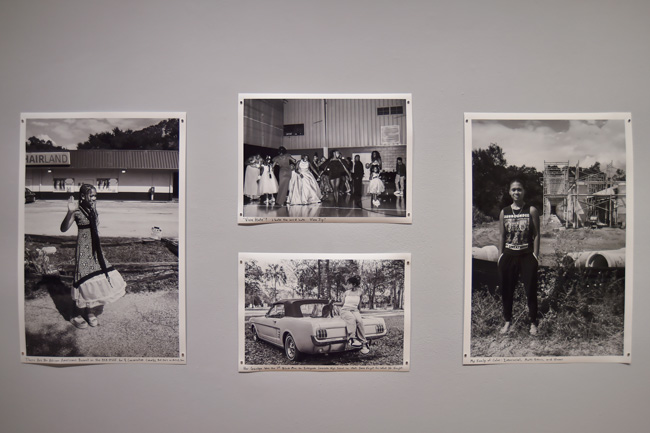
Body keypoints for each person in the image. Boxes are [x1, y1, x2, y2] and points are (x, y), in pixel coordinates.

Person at [60, 184, 127, 329]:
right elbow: (63, 228)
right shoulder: (76, 210)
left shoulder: (93, 209)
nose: (94, 198)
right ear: (83, 196)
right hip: (83, 250)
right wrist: (69, 212)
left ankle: (89, 310)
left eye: (95, 196)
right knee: (82, 280)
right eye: (91, 196)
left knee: (96, 277)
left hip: (95, 250)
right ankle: (75, 314)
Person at [497, 179, 541, 335]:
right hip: (508, 255)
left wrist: (535, 255)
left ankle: (533, 323)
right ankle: (508, 321)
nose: (516, 192)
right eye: (514, 189)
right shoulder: (504, 212)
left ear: (524, 192)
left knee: (530, 289)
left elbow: (536, 234)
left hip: (526, 255)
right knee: (507, 290)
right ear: (509, 192)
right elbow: (502, 235)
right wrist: (500, 256)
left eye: (519, 189)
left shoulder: (531, 210)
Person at [336, 276, 370, 355]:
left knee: (360, 321)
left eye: (349, 284)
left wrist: (359, 312)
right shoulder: (346, 292)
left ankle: (364, 343)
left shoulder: (360, 292)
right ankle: (352, 339)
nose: (347, 285)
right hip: (345, 310)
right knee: (351, 319)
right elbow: (342, 304)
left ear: (354, 284)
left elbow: (359, 304)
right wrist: (333, 303)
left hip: (355, 310)